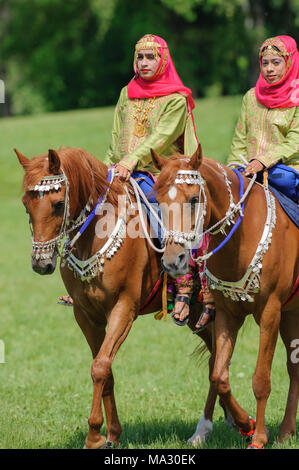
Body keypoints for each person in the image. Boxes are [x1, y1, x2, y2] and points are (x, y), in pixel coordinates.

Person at [59, 34, 216, 329]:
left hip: (163, 174)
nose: (144, 63)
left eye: (150, 58)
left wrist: (132, 161)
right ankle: (81, 280)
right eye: (140, 58)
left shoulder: (176, 98)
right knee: (89, 211)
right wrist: (106, 171)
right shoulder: (126, 93)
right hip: (122, 170)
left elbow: (161, 139)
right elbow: (117, 137)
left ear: (163, 61)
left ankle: (184, 283)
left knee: (165, 213)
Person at [227, 35, 299, 201]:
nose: (269, 69)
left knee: (282, 179)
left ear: (290, 63)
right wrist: (232, 169)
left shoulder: (297, 97)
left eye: (276, 62)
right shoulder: (252, 97)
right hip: (249, 169)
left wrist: (263, 161)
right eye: (265, 63)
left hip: (286, 170)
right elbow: (239, 140)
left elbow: (295, 140)